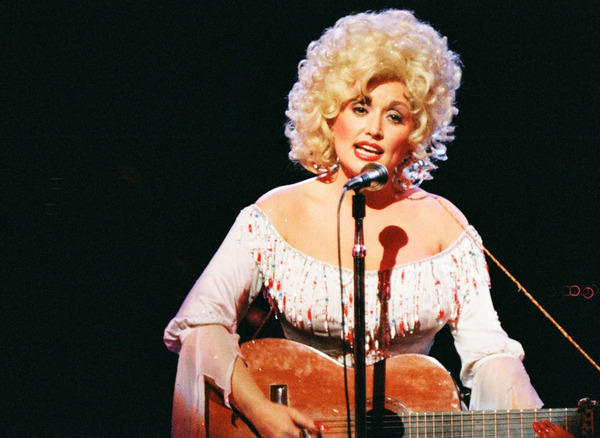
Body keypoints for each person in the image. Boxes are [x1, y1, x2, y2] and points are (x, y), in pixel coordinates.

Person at [164, 9, 572, 438]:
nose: (374, 128)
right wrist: (262, 412)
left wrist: (535, 420)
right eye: (360, 107)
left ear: (414, 134)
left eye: (394, 116)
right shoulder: (273, 214)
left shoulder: (445, 226)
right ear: (331, 111)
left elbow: (489, 356)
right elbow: (200, 325)